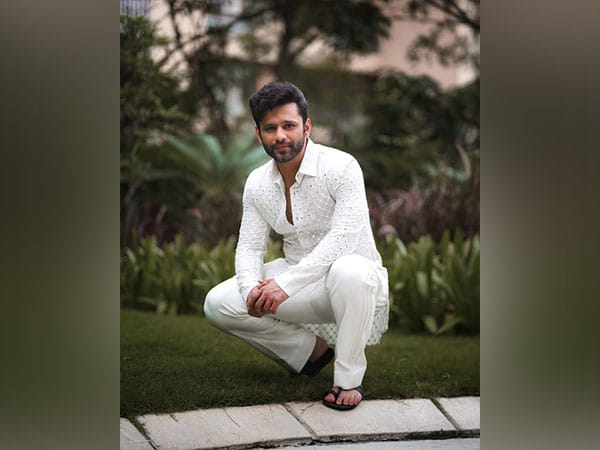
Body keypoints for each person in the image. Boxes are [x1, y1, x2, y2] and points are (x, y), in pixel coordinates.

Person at [204, 81, 389, 410]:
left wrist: (285, 285)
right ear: (258, 134)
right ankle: (311, 352)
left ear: (306, 127)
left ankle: (348, 379)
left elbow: (344, 237)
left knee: (349, 271)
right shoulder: (257, 182)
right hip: (299, 285)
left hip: (352, 284)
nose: (280, 136)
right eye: (270, 128)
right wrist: (250, 291)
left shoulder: (342, 167)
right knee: (218, 303)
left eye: (288, 126)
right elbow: (249, 248)